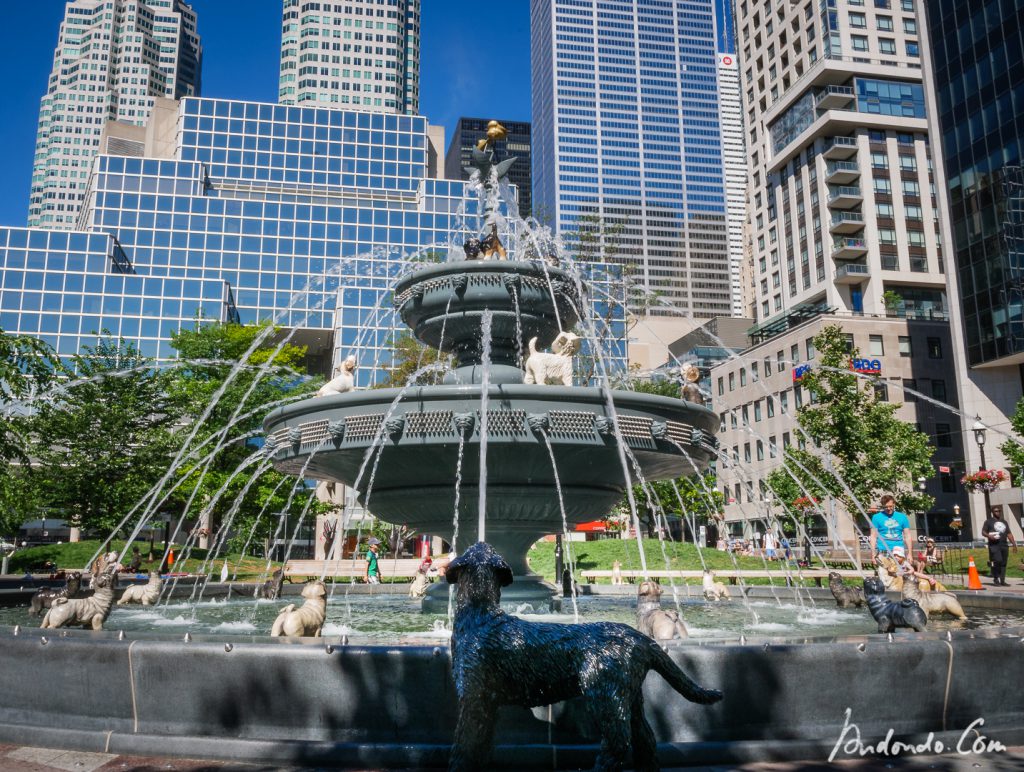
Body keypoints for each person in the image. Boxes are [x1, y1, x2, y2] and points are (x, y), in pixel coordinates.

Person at [981, 505, 1017, 586]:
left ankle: (1002, 580)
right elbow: (983, 532)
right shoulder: (988, 521)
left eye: (999, 511)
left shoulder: (1004, 522)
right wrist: (989, 536)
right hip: (994, 545)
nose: (998, 512)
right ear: (993, 512)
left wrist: (1014, 544)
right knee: (997, 561)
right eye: (996, 511)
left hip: (1004, 545)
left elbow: (1009, 533)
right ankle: (996, 579)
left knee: (1004, 563)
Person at [869, 495, 911, 562]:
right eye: (886, 507)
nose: (888, 508)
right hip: (883, 549)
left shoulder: (902, 517)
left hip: (898, 550)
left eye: (890, 506)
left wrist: (910, 553)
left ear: (894, 504)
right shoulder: (876, 517)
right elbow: (873, 536)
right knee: (883, 572)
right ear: (882, 505)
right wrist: (873, 554)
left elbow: (907, 536)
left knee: (898, 571)